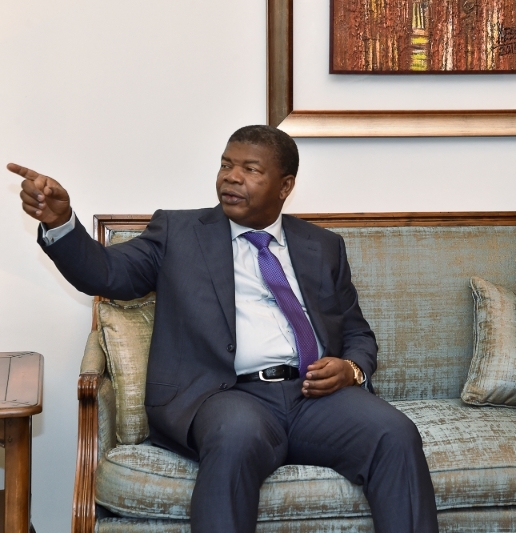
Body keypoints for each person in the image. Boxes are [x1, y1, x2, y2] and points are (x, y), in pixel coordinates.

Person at [9, 125, 439, 533]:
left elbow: (358, 333)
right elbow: (106, 274)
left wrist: (350, 369)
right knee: (235, 436)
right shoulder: (177, 232)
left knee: (394, 432)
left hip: (313, 397)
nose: (231, 178)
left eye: (250, 170)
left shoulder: (322, 245)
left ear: (285, 185)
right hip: (226, 395)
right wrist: (60, 222)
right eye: (226, 164)